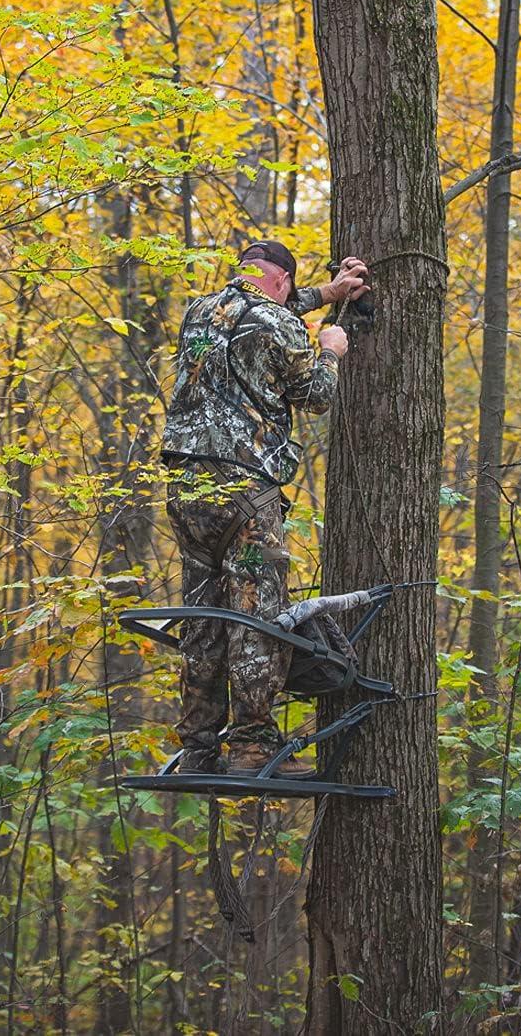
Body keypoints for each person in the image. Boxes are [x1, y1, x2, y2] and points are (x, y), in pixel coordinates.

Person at [160, 241, 370, 776]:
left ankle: (197, 749)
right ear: (280, 281)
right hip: (244, 492)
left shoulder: (202, 310)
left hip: (187, 493)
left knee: (203, 621)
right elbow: (316, 395)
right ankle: (253, 746)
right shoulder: (278, 321)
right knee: (257, 618)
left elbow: (266, 313)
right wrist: (330, 348)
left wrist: (330, 292)